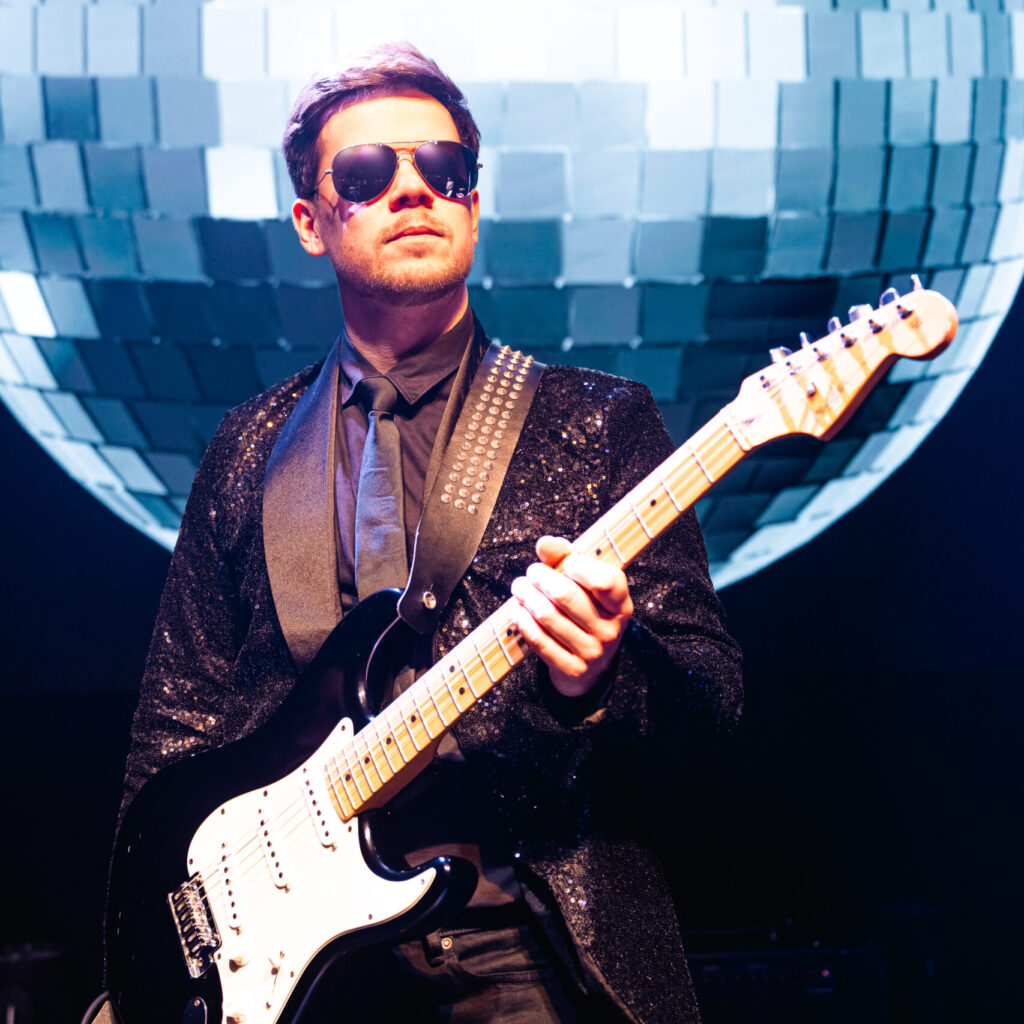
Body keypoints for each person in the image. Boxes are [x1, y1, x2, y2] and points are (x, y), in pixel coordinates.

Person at [118, 43, 742, 1024]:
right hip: (286, 977)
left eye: (443, 170)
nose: (414, 190)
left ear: (474, 199)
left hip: (524, 949)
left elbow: (712, 706)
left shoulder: (593, 422)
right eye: (368, 175)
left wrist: (599, 678)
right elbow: (174, 732)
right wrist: (146, 972)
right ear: (311, 221)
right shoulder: (245, 447)